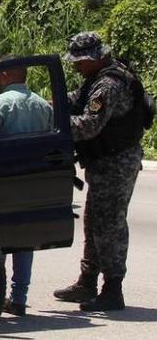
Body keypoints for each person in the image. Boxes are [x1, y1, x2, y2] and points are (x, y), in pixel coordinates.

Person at [53, 32, 149, 312]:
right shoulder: (101, 79)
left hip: (116, 165)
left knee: (109, 226)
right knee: (94, 221)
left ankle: (112, 289)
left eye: (79, 62)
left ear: (94, 58)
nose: (76, 68)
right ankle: (87, 282)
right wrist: (47, 104)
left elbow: (88, 126)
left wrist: (56, 121)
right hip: (108, 163)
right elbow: (77, 98)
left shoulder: (108, 85)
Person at [0, 56, 53, 316]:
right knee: (24, 241)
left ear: (7, 75)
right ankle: (20, 297)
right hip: (33, 180)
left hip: (2, 179)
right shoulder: (42, 106)